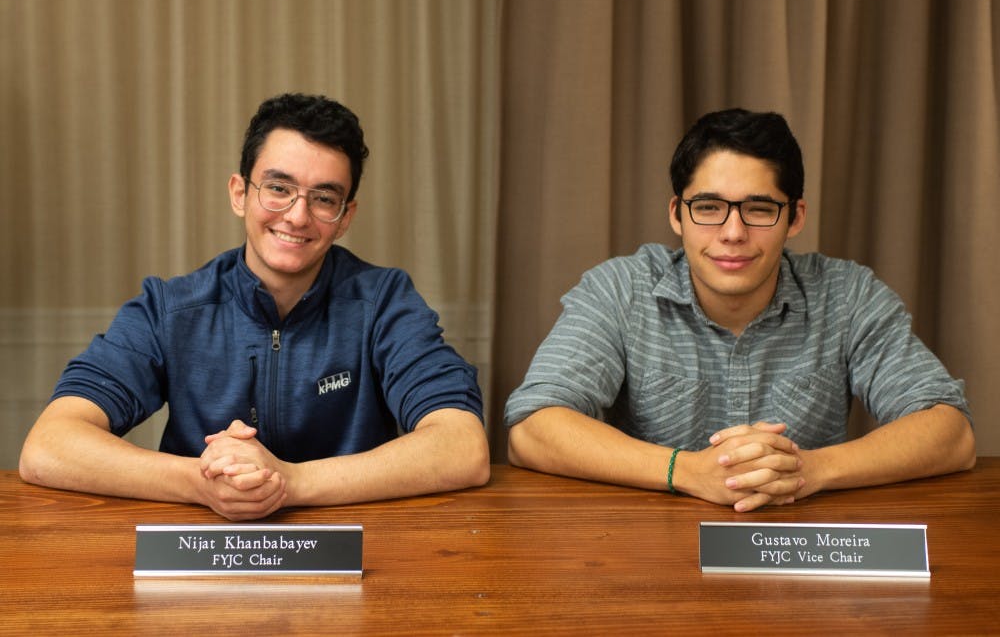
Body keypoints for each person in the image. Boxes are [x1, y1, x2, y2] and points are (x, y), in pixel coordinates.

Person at [20, 93, 490, 520]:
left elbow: (462, 447)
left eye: (324, 198)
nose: (298, 216)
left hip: (353, 550)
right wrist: (198, 482)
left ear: (345, 217)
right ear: (240, 194)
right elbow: (48, 446)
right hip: (198, 549)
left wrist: (291, 482)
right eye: (278, 188)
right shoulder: (171, 308)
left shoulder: (384, 302)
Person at [505, 108, 975, 513]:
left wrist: (808, 469)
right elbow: (533, 429)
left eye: (759, 209)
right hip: (650, 548)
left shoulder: (847, 295)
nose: (732, 233)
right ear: (676, 213)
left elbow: (951, 434)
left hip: (802, 549)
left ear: (795, 217)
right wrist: (687, 471)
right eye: (709, 207)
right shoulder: (620, 289)